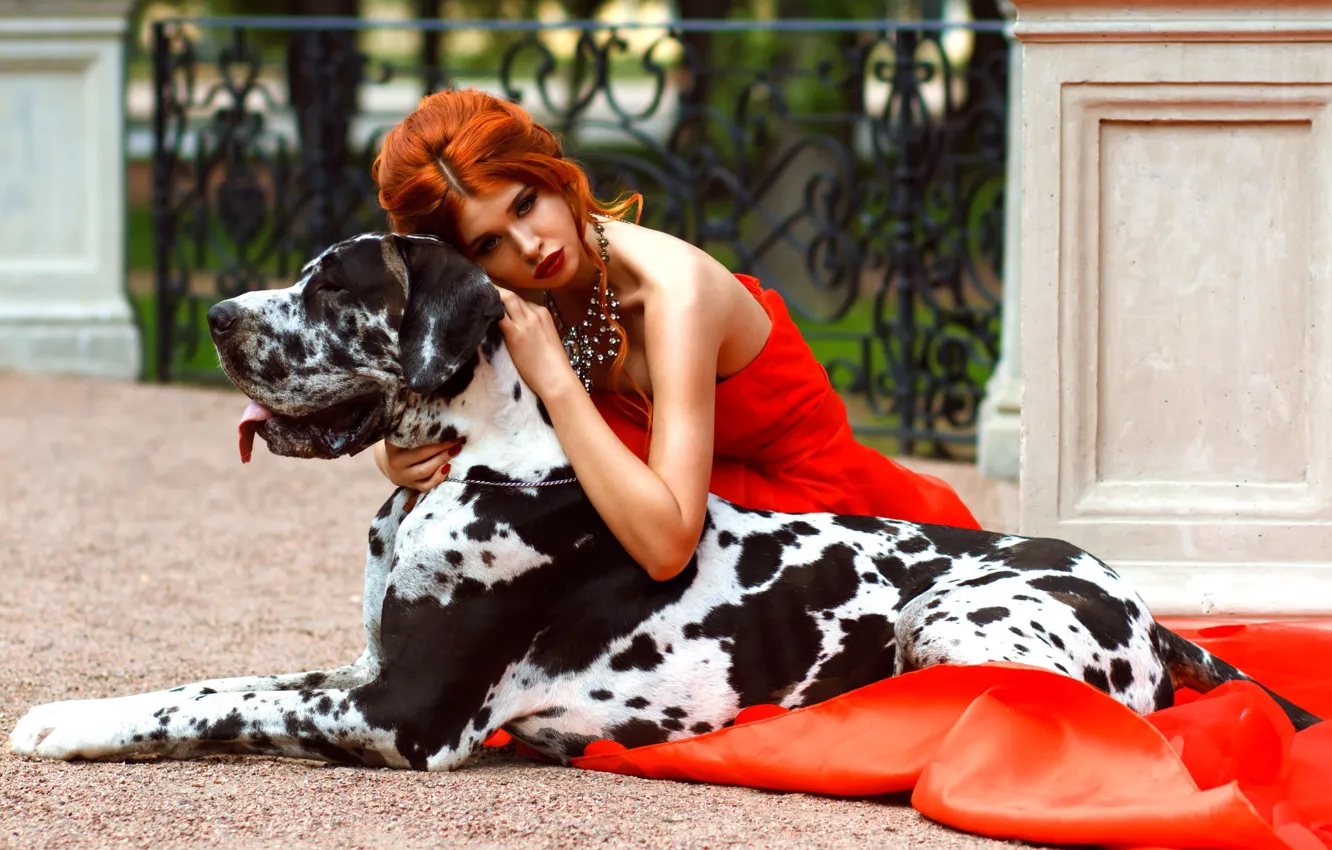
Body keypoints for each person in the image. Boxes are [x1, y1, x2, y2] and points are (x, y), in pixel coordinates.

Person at [369, 88, 980, 582]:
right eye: (489, 242)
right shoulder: (519, 297)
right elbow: (452, 413)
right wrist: (398, 457)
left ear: (555, 174)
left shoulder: (674, 291)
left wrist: (557, 383)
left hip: (818, 526)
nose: (531, 246)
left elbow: (667, 549)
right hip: (680, 516)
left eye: (526, 204)